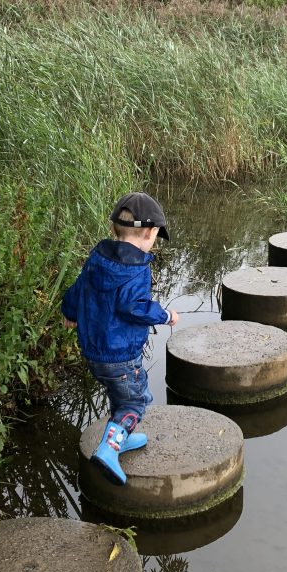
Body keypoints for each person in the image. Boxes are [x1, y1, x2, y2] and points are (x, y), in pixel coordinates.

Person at [61, 192, 178, 485]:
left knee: (119, 394)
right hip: (121, 354)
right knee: (135, 402)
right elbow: (134, 307)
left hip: (93, 350)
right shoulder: (136, 269)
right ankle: (109, 449)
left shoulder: (97, 258)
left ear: (114, 229)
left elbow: (78, 289)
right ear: (150, 233)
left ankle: (120, 437)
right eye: (155, 236)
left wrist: (70, 311)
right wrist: (164, 315)